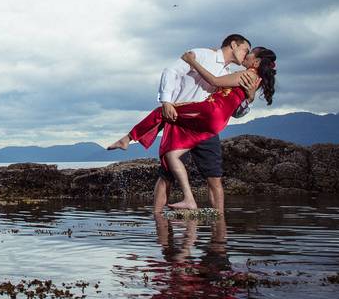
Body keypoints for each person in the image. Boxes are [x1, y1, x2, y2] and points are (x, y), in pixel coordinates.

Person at [113, 46, 277, 210]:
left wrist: (192, 62)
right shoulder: (212, 59)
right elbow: (228, 99)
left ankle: (128, 139)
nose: (245, 55)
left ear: (256, 61)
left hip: (208, 114)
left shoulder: (242, 74)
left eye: (249, 53)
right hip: (203, 118)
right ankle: (187, 205)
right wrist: (250, 97)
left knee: (162, 112)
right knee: (171, 159)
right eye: (245, 50)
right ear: (233, 45)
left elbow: (214, 82)